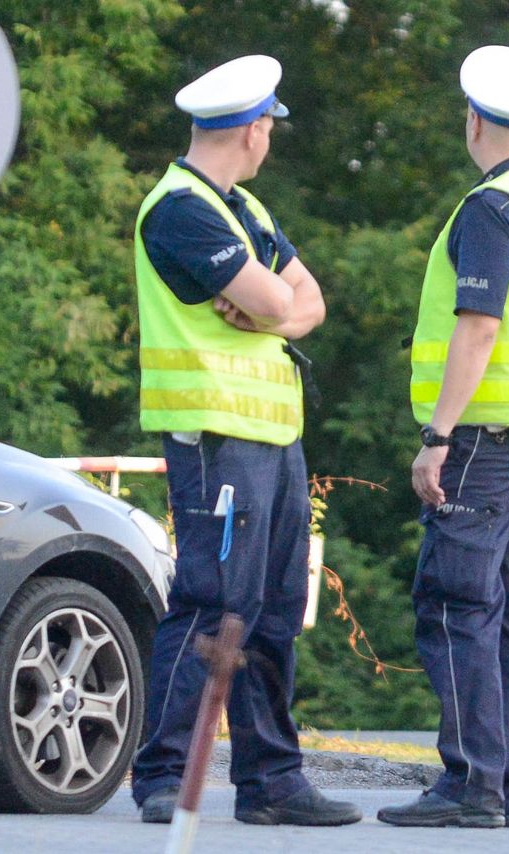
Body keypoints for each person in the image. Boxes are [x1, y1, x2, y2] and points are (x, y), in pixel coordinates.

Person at [130, 54, 360, 827]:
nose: (271, 137)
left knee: (271, 610)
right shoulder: (181, 209)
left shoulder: (244, 211)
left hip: (271, 436)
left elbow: (308, 300)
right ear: (252, 129)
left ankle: (273, 783)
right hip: (214, 437)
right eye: (270, 125)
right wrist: (271, 301)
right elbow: (274, 292)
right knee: (209, 603)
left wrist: (274, 310)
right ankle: (162, 776)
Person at [378, 45, 509, 829]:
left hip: (483, 436)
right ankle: (507, 784)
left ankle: (471, 784)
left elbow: (480, 324)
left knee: (453, 603)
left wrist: (436, 435)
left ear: (474, 120)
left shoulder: (492, 208)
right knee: (506, 607)